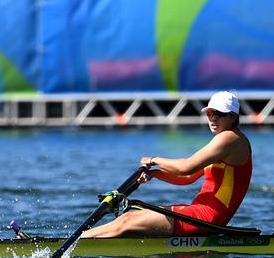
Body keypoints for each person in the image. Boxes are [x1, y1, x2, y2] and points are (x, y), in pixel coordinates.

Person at [82, 91, 252, 237]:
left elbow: (186, 167)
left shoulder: (229, 139)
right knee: (129, 219)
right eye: (209, 114)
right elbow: (187, 178)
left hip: (207, 217)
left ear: (233, 117)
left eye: (219, 114)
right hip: (200, 212)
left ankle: (77, 245)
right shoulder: (225, 141)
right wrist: (155, 173)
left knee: (128, 220)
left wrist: (154, 160)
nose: (213, 119)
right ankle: (84, 241)